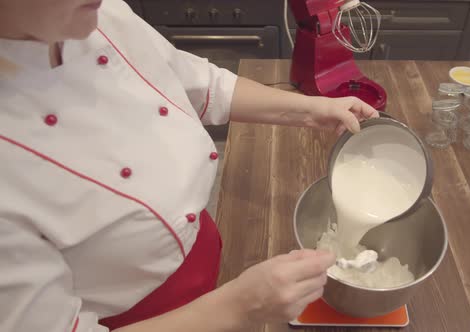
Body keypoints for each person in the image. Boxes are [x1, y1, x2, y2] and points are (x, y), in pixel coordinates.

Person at [0, 0, 379, 331]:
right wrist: (241, 306)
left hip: (201, 255)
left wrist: (313, 109)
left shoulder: (100, 12)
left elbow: (195, 82)